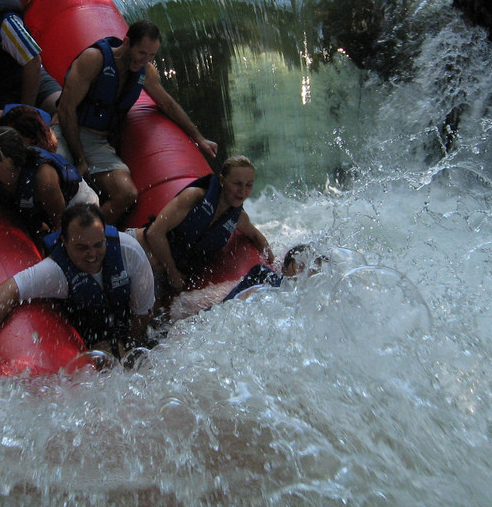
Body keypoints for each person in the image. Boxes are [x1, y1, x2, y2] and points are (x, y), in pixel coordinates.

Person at [55, 19, 218, 225]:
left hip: (97, 142)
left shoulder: (146, 71)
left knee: (127, 194)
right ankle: (50, 231)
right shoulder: (94, 59)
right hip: (67, 129)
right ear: (126, 43)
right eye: (142, 53)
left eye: (151, 55)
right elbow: (66, 110)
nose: (145, 60)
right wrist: (79, 159)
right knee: (53, 181)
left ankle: (83, 234)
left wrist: (199, 138)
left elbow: (167, 105)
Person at [0, 203, 155, 364]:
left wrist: (128, 347)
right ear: (65, 241)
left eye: (98, 244)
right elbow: (9, 290)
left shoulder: (129, 252)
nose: (93, 255)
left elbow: (143, 312)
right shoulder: (55, 271)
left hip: (128, 328)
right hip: (88, 336)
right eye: (82, 247)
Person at [133, 155, 273, 293]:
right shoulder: (194, 197)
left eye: (249, 185)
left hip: (157, 277)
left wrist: (273, 264)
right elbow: (154, 233)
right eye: (237, 184)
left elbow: (255, 236)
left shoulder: (238, 218)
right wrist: (172, 272)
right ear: (222, 180)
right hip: (136, 252)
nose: (243, 191)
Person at [219, 243, 329, 302]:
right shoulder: (262, 293)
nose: (306, 272)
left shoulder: (320, 301)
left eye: (313, 269)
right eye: (300, 266)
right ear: (284, 271)